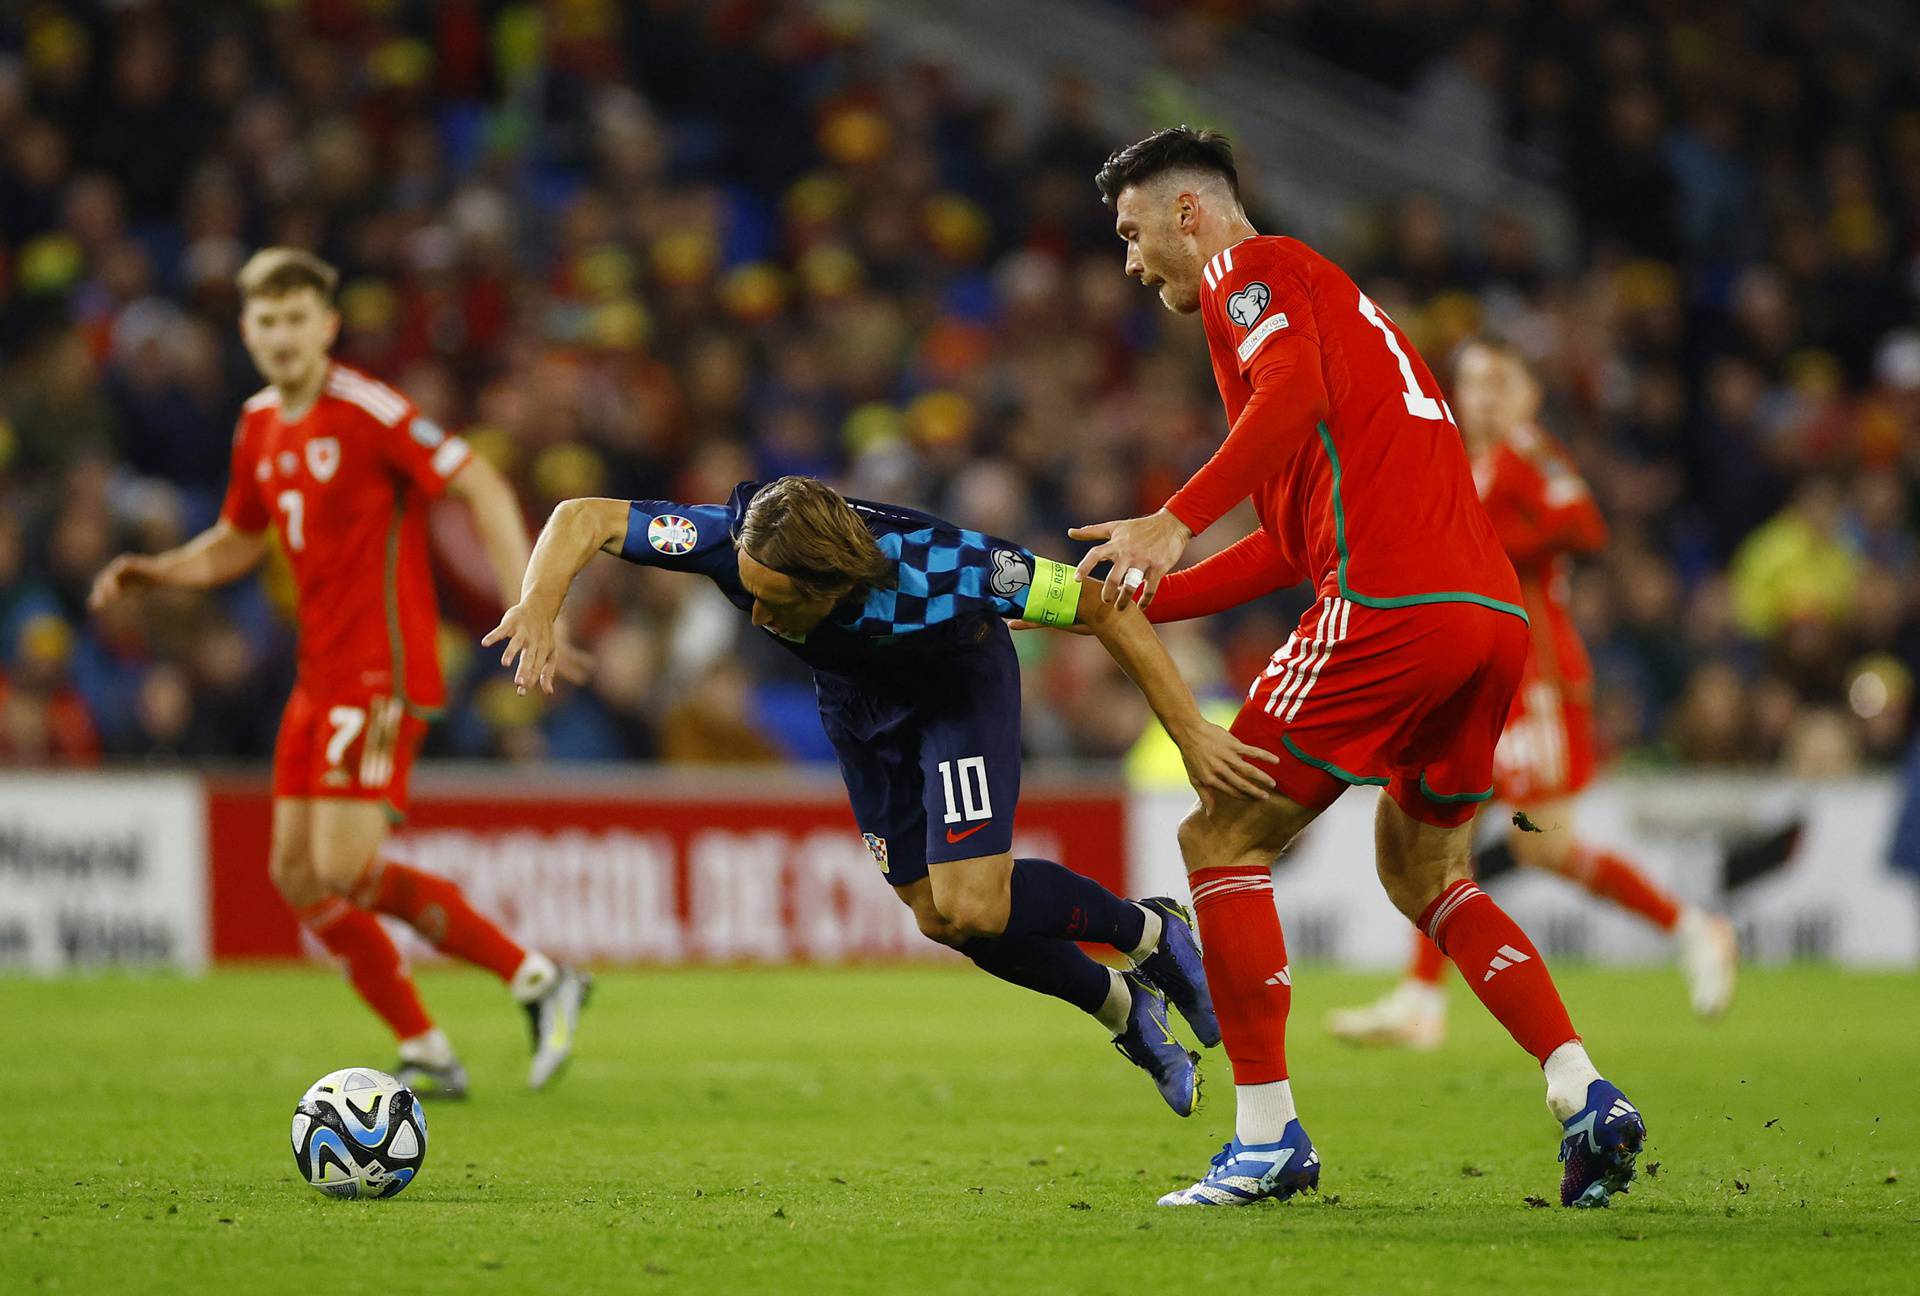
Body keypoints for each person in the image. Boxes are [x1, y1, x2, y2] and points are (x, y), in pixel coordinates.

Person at [1074, 127, 1644, 1208]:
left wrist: (1173, 522)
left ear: (1187, 213)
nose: (1133, 261)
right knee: (1427, 876)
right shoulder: (1339, 307)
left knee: (1219, 833)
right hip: (1484, 619)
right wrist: (1126, 592)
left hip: (1391, 604)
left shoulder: (1254, 271)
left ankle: (1265, 1136)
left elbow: (1285, 394)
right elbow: (1294, 539)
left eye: (1134, 232)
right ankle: (1583, 1091)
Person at [487, 476, 1277, 1114]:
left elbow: (1103, 605)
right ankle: (1122, 1007)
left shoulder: (947, 569)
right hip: (859, 708)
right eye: (749, 592)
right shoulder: (732, 542)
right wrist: (538, 604)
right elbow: (581, 516)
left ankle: (1150, 934)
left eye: (778, 601)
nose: (758, 614)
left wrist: (1191, 733)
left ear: (833, 584)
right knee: (938, 918)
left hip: (954, 693)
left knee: (975, 903)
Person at [89, 248, 589, 1098]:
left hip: (381, 668)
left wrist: (533, 603)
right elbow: (238, 541)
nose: (282, 335)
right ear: (247, 330)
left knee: (346, 866)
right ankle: (427, 1046)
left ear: (327, 327)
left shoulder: (367, 409)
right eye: (267, 320)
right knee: (293, 873)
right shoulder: (258, 424)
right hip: (316, 676)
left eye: (297, 319)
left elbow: (485, 490)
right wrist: (158, 570)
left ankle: (536, 977)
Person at [1328, 338, 1739, 1048]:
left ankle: (1691, 927)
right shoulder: (1462, 458)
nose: (1481, 396)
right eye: (1471, 382)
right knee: (1486, 832)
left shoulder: (1527, 453)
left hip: (1537, 676)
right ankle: (1423, 998)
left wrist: (1503, 536)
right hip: (1482, 668)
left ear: (1527, 396)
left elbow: (1585, 524)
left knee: (1515, 838)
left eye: (1497, 383)